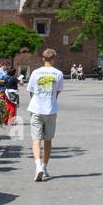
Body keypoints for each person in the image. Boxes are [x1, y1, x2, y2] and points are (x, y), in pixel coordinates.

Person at [26, 48, 65, 182]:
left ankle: (38, 166)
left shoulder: (36, 72)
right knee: (48, 140)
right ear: (54, 59)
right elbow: (58, 91)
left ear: (43, 58)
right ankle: (45, 165)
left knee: (36, 140)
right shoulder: (58, 73)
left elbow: (31, 91)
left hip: (36, 108)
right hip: (51, 109)